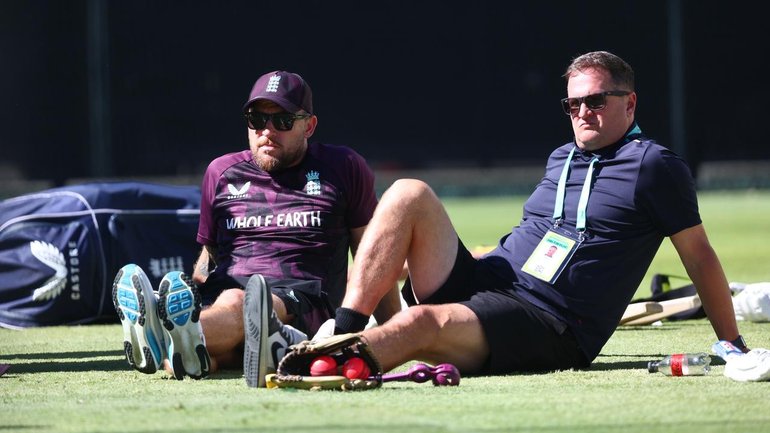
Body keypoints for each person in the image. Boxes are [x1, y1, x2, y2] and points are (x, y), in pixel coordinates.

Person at [329, 51, 747, 375]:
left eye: (596, 101)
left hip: (549, 322)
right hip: (490, 282)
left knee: (420, 323)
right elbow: (539, 236)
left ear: (630, 103)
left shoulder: (654, 165)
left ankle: (322, 363)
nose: (583, 113)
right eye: (573, 104)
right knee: (407, 191)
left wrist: (732, 342)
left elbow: (698, 255)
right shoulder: (561, 157)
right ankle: (341, 332)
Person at [112, 70, 401, 383]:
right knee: (188, 359)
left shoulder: (343, 167)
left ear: (309, 126)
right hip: (227, 296)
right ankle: (180, 340)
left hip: (303, 301)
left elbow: (373, 254)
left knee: (243, 300)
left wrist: (395, 332)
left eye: (283, 121)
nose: (267, 131)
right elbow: (210, 255)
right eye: (257, 119)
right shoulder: (221, 173)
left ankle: (160, 331)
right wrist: (196, 294)